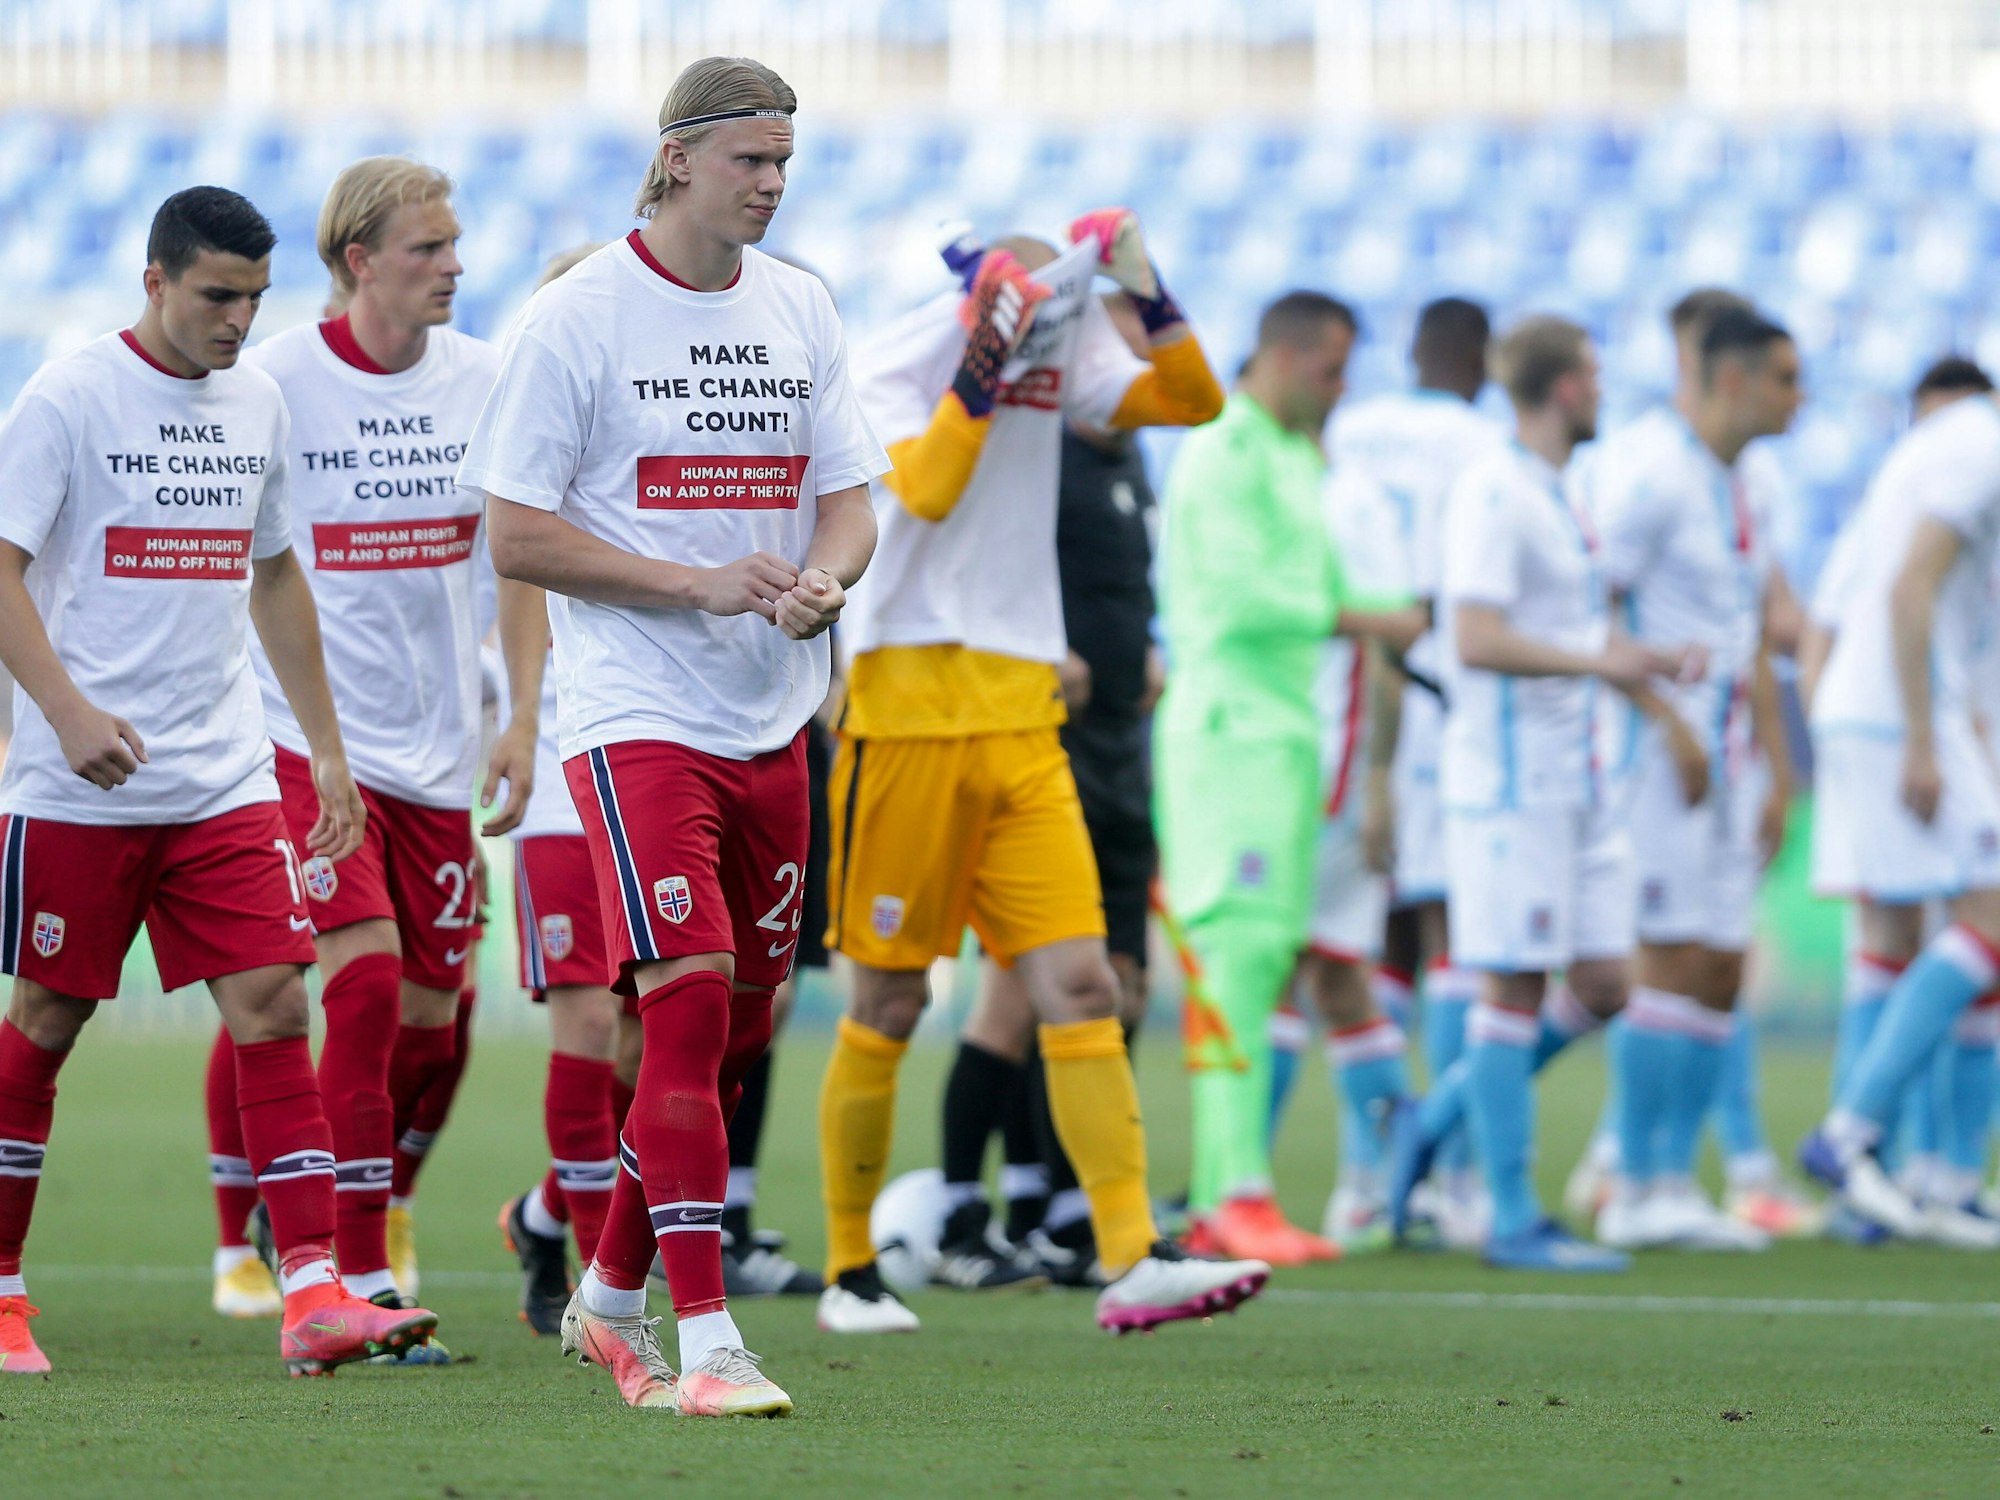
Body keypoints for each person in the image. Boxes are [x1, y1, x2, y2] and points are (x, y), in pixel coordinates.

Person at [464, 56, 884, 1417]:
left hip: (775, 715)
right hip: (634, 711)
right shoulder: (576, 317)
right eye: (750, 160)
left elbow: (849, 497)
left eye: (784, 163)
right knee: (691, 991)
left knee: (738, 1026)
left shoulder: (801, 305)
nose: (770, 184)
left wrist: (831, 575)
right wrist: (696, 583)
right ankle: (704, 1343)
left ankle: (601, 1293)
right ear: (677, 160)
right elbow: (515, 534)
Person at [0, 186, 437, 1376]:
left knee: (276, 1007)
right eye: (216, 297)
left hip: (223, 778)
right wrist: (67, 711)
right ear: (155, 282)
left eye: (254, 298)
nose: (239, 322)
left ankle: (311, 1296)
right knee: (48, 1021)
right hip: (78, 784)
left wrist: (327, 749)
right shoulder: (68, 396)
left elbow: (278, 576)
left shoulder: (258, 403)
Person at [819, 211, 1267, 1337]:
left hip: (1022, 715)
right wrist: (984, 353)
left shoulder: (1057, 345)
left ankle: (1129, 1257)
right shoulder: (889, 359)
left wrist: (1145, 289)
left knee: (1079, 985)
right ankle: (846, 1272)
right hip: (909, 713)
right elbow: (921, 488)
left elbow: (1194, 401)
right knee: (885, 999)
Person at [213, 159, 543, 1357]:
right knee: (353, 986)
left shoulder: (486, 380)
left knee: (430, 1020)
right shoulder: (276, 386)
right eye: (427, 248)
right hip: (305, 744)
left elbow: (514, 558)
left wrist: (517, 716)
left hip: (440, 751)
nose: (454, 265)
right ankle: (350, 1272)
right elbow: (247, 562)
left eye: (454, 245)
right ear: (358, 261)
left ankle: (360, 1215)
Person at [1400, 315, 1692, 1272]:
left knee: (1606, 983)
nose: (1603, 392)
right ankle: (1512, 1213)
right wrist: (1599, 663)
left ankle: (1431, 1121)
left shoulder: (1556, 492)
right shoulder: (1493, 490)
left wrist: (1628, 668)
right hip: (1511, 785)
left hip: (1582, 781)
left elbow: (1571, 636)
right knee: (1515, 986)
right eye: (1595, 376)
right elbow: (1474, 638)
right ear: (1566, 386)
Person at [1154, 291, 1425, 1264]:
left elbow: (1304, 586)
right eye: (1330, 367)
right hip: (1227, 733)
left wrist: (1378, 609)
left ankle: (1242, 1192)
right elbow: (1234, 600)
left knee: (1265, 961)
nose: (1339, 388)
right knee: (1232, 963)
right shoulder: (1222, 445)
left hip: (1278, 735)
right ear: (1283, 354)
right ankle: (1228, 1196)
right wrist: (1364, 618)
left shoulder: (1291, 454)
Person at [925, 291, 1166, 1290]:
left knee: (1117, 986)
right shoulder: (1037, 448)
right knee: (1019, 996)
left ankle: (1055, 1204)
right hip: (1039, 738)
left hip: (1117, 740)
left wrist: (1140, 649)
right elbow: (979, 556)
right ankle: (961, 1207)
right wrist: (1041, 648)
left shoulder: (1126, 453)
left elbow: (1121, 581)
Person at [1578, 306, 1803, 1253]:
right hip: (1660, 761)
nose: (1801, 396)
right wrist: (1665, 724)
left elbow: (1747, 637)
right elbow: (1594, 609)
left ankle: (1673, 1179)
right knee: (1666, 962)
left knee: (1717, 967)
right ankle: (1633, 1180)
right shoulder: (1652, 472)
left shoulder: (1741, 482)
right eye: (1786, 377)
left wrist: (1780, 766)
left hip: (1731, 763)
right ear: (1732, 379)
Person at [1311, 295, 1502, 1248]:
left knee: (1361, 942)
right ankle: (1453, 1179)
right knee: (1453, 935)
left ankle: (1361, 1178)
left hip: (1350, 692)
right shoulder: (1481, 443)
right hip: (1438, 698)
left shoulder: (1355, 428)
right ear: (1485, 362)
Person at [1797, 355, 2000, 1248]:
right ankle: (1852, 1136)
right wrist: (1924, 736)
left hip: (1876, 710)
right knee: (1990, 919)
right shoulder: (1978, 447)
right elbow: (1910, 585)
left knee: (1892, 941)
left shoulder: (1925, 452)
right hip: (1899, 717)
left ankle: (1937, 1178)